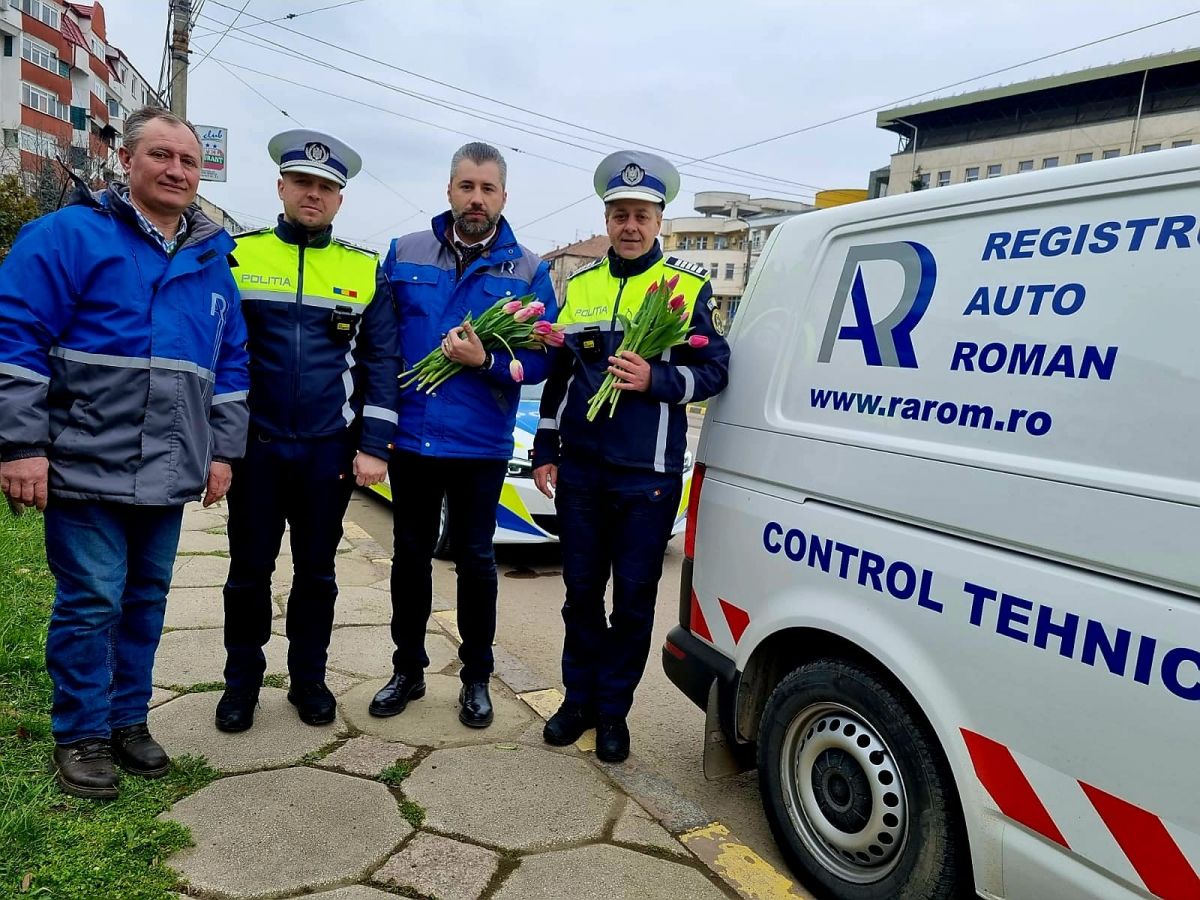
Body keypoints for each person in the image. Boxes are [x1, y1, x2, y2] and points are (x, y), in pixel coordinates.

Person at [0, 107, 250, 798]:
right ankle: (81, 733)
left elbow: (229, 366)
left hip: (168, 467)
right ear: (127, 161)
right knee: (91, 601)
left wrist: (222, 453)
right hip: (81, 461)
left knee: (144, 600)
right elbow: (14, 340)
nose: (176, 170)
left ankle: (127, 720)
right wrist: (19, 445)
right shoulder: (67, 236)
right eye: (161, 155)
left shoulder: (212, 263)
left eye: (188, 160)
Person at [532, 151, 730, 762]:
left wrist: (655, 379)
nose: (630, 226)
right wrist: (546, 447)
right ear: (607, 220)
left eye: (642, 215)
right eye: (620, 215)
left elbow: (716, 370)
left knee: (634, 602)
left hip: (647, 477)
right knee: (580, 595)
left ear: (659, 221)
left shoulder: (685, 289)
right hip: (582, 473)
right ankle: (578, 702)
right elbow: (561, 376)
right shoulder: (582, 286)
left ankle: (614, 712)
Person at [215, 129, 399, 732]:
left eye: (325, 187)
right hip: (256, 450)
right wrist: (219, 445)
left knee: (317, 574)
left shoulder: (363, 270)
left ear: (339, 198)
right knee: (248, 574)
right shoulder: (238, 256)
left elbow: (380, 364)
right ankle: (240, 684)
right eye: (302, 182)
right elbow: (219, 353)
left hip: (327, 453)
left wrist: (373, 446)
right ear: (281, 187)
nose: (312, 194)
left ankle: (309, 680)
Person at [371, 142, 556, 728]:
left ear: (503, 196)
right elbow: (381, 347)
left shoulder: (528, 270)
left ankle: (476, 677)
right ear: (449, 190)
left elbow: (544, 359)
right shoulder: (404, 252)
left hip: (480, 444)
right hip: (414, 438)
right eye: (467, 187)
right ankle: (407, 669)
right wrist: (377, 431)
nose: (477, 199)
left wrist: (487, 362)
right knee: (410, 557)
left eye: (488, 189)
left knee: (476, 562)